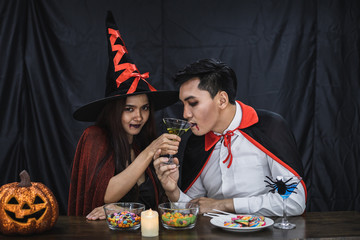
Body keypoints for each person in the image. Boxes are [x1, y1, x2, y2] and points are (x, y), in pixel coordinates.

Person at [154, 58, 307, 216]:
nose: (185, 114)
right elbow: (194, 210)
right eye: (183, 105)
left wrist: (225, 205)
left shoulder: (269, 128)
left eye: (193, 103)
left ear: (222, 100)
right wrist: (173, 191)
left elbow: (294, 201)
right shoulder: (197, 142)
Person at [67, 11, 180, 220]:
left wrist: (170, 188)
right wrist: (151, 150)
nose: (139, 117)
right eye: (129, 109)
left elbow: (153, 208)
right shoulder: (95, 137)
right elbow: (105, 195)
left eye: (144, 108)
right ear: (114, 111)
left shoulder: (139, 144)